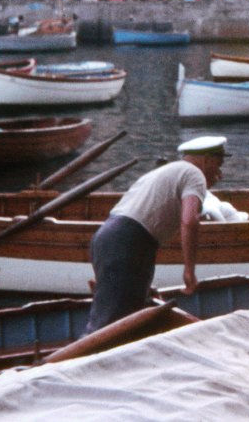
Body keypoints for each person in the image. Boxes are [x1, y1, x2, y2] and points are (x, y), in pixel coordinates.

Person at [85, 136, 226, 335]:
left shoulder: (166, 171)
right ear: (207, 160)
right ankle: (77, 363)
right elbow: (190, 221)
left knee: (123, 317)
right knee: (112, 326)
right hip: (128, 242)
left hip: (109, 236)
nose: (220, 174)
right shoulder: (195, 174)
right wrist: (189, 271)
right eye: (218, 165)